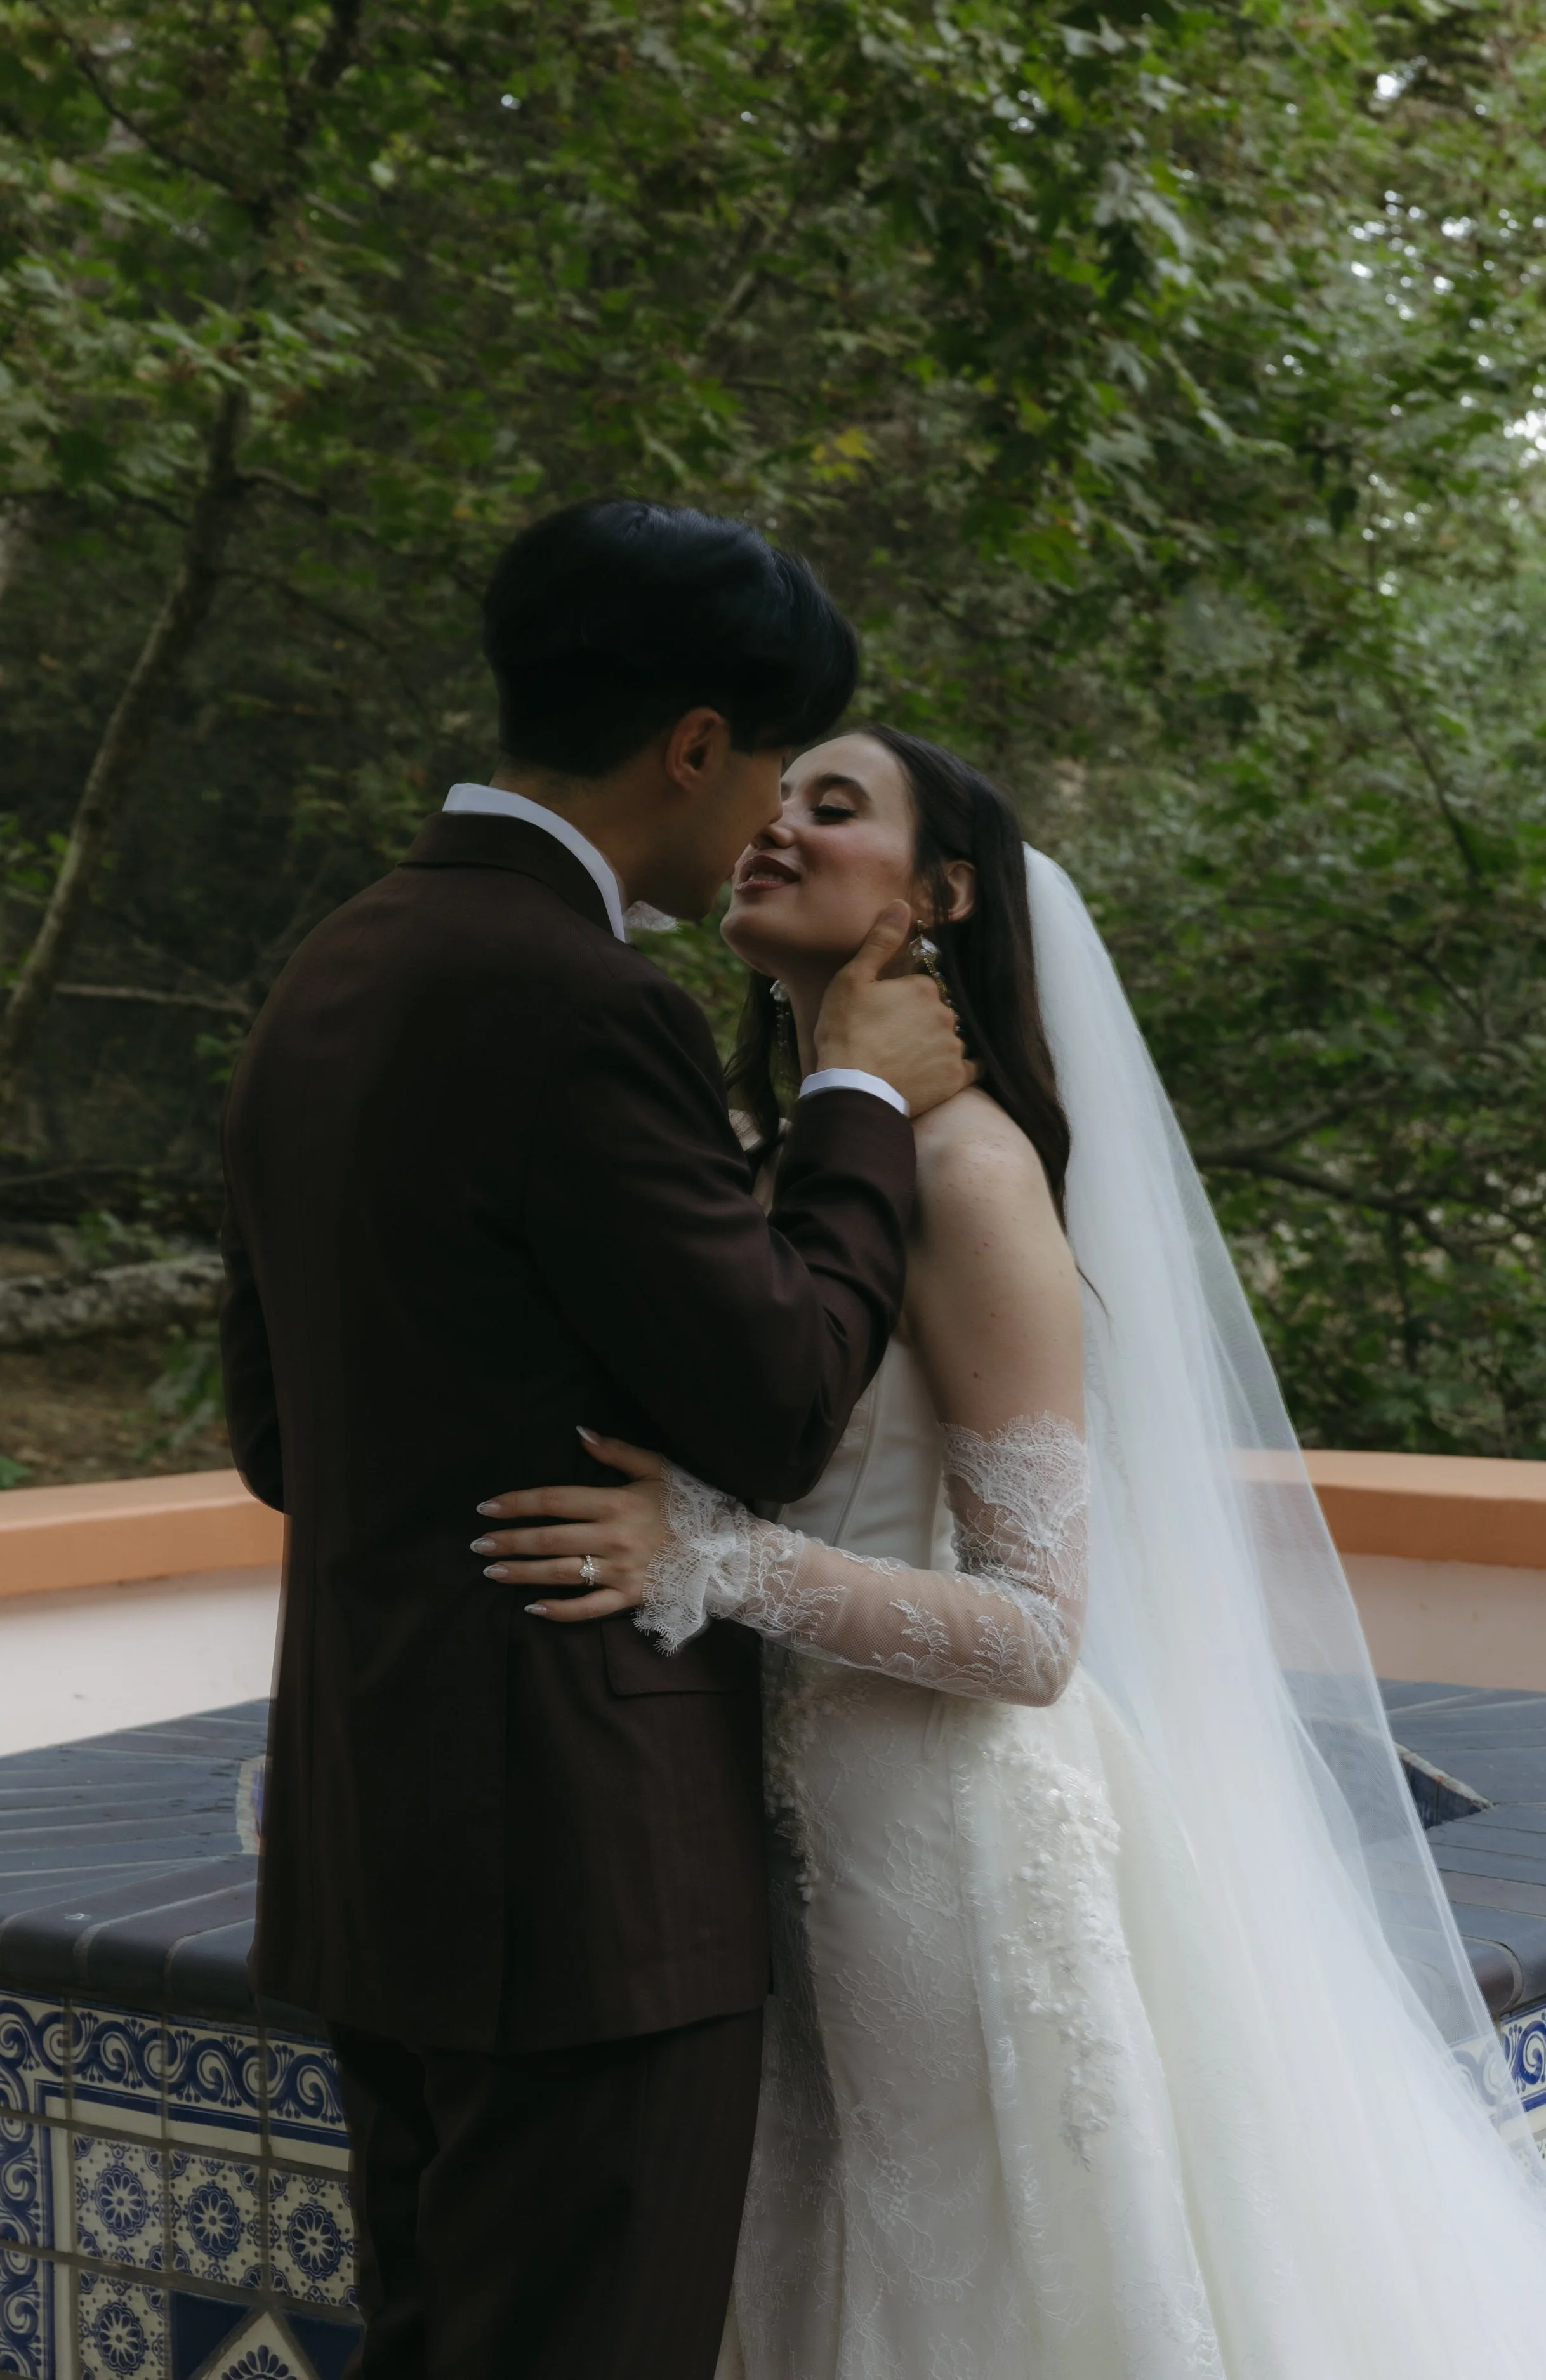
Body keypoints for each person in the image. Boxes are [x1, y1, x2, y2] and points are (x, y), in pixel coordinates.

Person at [500, 726, 1546, 2376]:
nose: (773, 826)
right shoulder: (796, 1158)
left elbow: (1033, 1629)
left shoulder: (973, 1170)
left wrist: (704, 1558)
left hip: (940, 1846)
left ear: (940, 894)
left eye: (831, 807)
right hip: (777, 1830)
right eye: (777, 796)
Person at [217, 505, 975, 2380]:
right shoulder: (584, 1001)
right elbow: (781, 1406)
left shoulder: (329, 968)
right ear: (694, 744)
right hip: (582, 1883)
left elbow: (275, 1437)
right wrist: (860, 1105)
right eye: (770, 773)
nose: (762, 830)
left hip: (367, 1843)